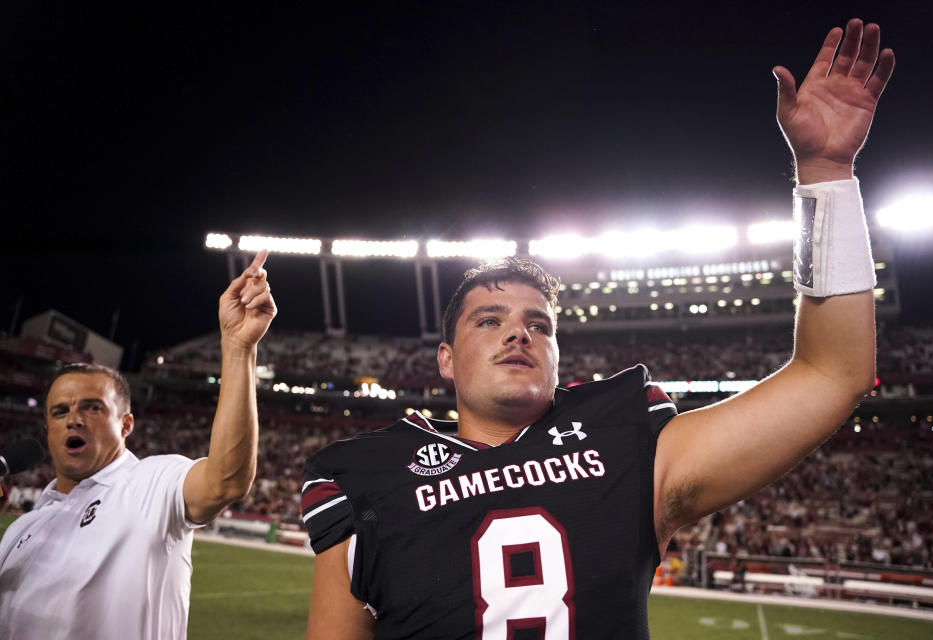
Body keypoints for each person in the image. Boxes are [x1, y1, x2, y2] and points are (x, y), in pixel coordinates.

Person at [302, 19, 894, 639]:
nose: (518, 334)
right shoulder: (368, 480)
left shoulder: (625, 447)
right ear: (445, 359)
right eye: (489, 320)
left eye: (539, 324)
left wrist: (825, 174)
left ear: (558, 354)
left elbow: (832, 374)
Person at [0, 250, 277, 640]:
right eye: (59, 411)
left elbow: (225, 481)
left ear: (126, 423)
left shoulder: (150, 482)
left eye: (92, 407)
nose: (74, 418)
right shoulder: (22, 528)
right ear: (47, 429)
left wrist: (238, 347)